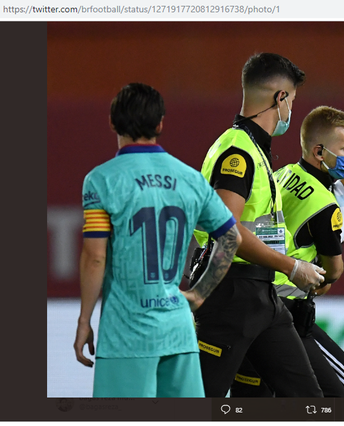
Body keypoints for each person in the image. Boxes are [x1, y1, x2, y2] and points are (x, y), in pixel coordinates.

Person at [73, 83, 242, 397]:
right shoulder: (189, 178)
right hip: (177, 331)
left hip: (127, 334)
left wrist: (84, 320)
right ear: (160, 124)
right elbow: (231, 238)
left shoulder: (102, 180)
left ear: (112, 122)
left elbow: (95, 257)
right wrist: (200, 293)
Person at [230, 107, 344, 398]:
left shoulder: (281, 174)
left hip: (251, 302)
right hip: (286, 312)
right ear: (319, 152)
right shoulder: (324, 204)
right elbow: (334, 271)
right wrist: (316, 278)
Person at [191, 53, 326, 397]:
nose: (291, 111)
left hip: (262, 296)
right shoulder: (238, 152)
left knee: (308, 401)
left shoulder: (250, 148)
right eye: (292, 101)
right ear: (280, 98)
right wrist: (293, 266)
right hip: (229, 295)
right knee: (200, 403)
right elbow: (227, 231)